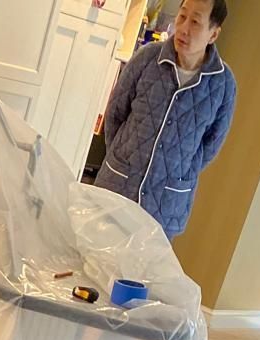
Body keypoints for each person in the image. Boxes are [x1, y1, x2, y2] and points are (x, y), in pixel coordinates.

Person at [94, 0, 236, 239]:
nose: (183, 28)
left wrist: (174, 168)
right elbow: (116, 113)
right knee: (94, 263)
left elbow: (210, 145)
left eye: (195, 22)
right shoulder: (147, 58)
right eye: (182, 17)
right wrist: (125, 157)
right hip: (118, 186)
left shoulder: (223, 85)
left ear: (213, 34)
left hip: (166, 205)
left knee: (141, 275)